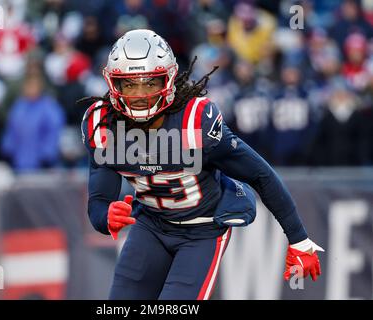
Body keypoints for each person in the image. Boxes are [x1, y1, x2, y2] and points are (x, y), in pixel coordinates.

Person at [79, 29, 323, 300]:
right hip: (151, 224)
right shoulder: (102, 124)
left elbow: (260, 174)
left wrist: (300, 240)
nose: (140, 94)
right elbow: (99, 201)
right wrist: (106, 217)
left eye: (150, 83)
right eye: (129, 84)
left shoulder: (196, 122)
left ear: (168, 80)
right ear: (114, 84)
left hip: (202, 230)